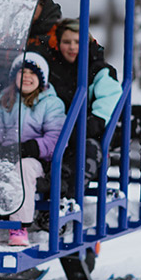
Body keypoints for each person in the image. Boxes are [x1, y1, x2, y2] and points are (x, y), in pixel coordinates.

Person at [0, 53, 66, 247]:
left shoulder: (52, 103)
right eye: (22, 73)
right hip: (6, 155)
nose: (26, 77)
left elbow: (54, 139)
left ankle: (18, 225)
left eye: (32, 74)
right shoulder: (6, 100)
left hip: (36, 160)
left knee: (22, 169)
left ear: (42, 78)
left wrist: (28, 148)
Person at [40, 18, 122, 195]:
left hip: (87, 133)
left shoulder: (100, 70)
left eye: (77, 42)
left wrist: (84, 126)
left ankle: (66, 197)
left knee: (85, 152)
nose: (72, 47)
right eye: (66, 42)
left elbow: (107, 104)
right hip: (55, 129)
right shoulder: (51, 69)